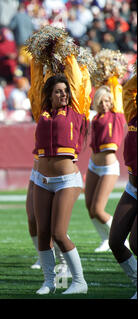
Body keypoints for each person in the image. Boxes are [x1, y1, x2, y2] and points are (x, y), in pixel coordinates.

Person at [29, 53, 90, 295]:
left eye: (65, 91)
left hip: (67, 180)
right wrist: (38, 58)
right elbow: (35, 86)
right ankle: (48, 281)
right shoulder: (41, 113)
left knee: (59, 233)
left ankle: (79, 281)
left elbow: (75, 81)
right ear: (50, 95)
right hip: (41, 180)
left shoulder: (77, 112)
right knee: (43, 232)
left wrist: (66, 54)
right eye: (58, 91)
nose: (63, 94)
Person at [85, 81, 126, 252]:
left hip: (109, 167)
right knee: (89, 207)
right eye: (101, 101)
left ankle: (121, 239)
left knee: (98, 209)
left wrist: (113, 78)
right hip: (93, 164)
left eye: (107, 101)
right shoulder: (95, 118)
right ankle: (105, 240)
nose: (104, 104)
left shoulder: (117, 115)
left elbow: (117, 91)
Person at [109, 73, 137, 299]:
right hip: (132, 189)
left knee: (136, 243)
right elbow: (128, 90)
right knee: (116, 241)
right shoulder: (133, 116)